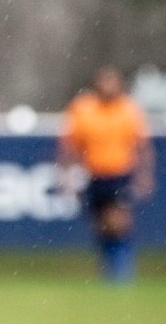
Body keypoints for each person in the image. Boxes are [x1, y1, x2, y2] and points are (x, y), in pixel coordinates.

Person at [59, 67, 154, 282]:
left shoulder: (129, 110)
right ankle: (109, 267)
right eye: (104, 82)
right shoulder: (83, 109)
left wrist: (144, 174)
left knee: (118, 222)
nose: (108, 87)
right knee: (101, 225)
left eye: (112, 82)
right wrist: (66, 173)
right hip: (93, 175)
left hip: (119, 173)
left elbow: (142, 146)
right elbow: (70, 145)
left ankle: (122, 271)